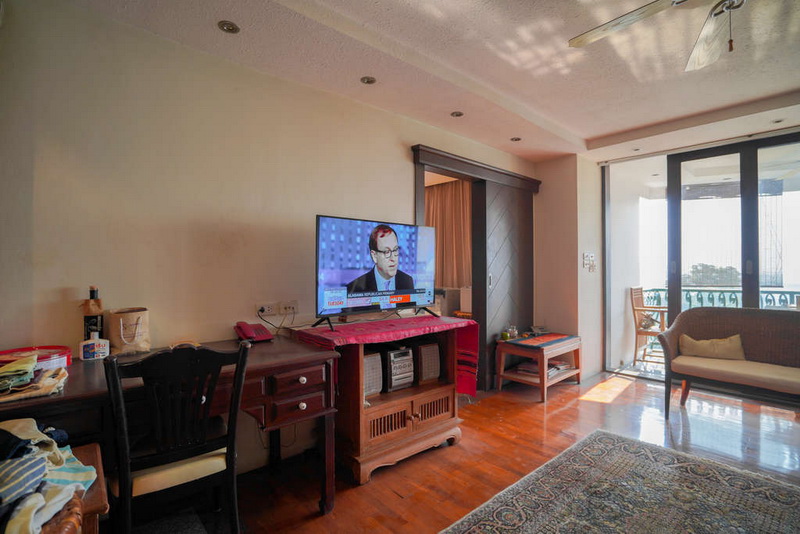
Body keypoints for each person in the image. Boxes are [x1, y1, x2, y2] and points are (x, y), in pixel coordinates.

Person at [347, 224, 414, 293]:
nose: (393, 258)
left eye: (395, 250)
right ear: (374, 256)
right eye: (386, 252)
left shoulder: (407, 281)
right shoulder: (356, 288)